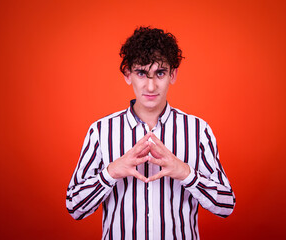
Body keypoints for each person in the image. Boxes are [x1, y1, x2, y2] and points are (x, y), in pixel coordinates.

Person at [66, 26, 235, 240]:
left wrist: (184, 172)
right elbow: (75, 207)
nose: (151, 85)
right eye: (141, 73)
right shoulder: (100, 131)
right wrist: (111, 172)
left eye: (160, 73)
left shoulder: (198, 130)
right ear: (128, 74)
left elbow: (226, 205)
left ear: (173, 75)